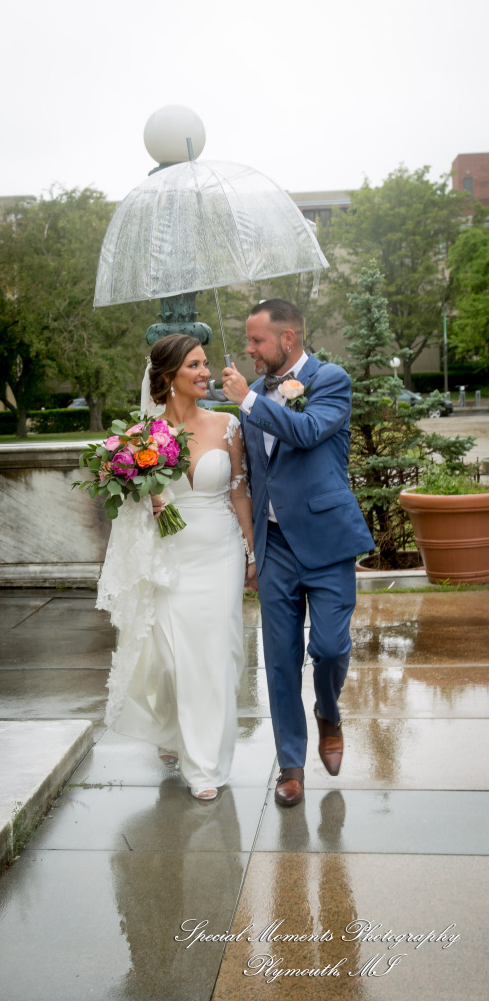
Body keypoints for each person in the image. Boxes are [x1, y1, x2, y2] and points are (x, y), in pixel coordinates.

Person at [222, 299, 374, 807]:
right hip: (274, 547)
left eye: (257, 340)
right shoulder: (254, 396)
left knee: (330, 648)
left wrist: (248, 402)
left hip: (327, 540)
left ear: (287, 339)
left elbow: (307, 432)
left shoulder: (331, 380)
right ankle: (291, 765)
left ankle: (328, 712)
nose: (249, 349)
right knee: (280, 662)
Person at [97, 333, 255, 801]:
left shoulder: (227, 426)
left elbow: (239, 492)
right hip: (171, 552)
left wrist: (250, 552)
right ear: (167, 378)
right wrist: (139, 491)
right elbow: (132, 504)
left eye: (205, 363)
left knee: (214, 654)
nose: (206, 372)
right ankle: (172, 726)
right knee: (168, 658)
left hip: (222, 550)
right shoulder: (141, 439)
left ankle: (204, 764)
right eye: (195, 365)